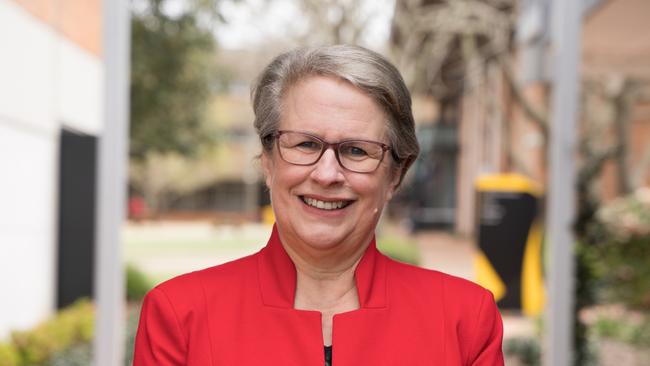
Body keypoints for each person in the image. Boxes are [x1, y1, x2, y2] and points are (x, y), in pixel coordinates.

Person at [133, 45, 504, 365]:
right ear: (267, 161)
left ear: (395, 175)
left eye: (357, 150)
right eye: (305, 145)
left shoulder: (463, 320)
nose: (327, 174)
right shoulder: (181, 317)